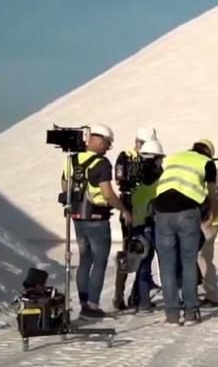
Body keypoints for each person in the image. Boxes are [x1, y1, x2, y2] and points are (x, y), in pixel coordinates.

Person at [60, 123, 130, 318]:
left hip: (77, 218)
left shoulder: (71, 160)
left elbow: (65, 185)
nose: (108, 147)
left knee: (84, 260)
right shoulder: (102, 163)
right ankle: (92, 306)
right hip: (97, 218)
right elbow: (107, 193)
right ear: (97, 139)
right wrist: (123, 209)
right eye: (107, 143)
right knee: (99, 261)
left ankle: (84, 303)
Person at [151, 139, 218, 326]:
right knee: (188, 262)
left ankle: (172, 315)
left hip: (162, 212)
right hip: (187, 213)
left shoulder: (175, 158)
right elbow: (213, 193)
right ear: (208, 152)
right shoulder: (207, 163)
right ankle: (191, 313)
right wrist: (212, 213)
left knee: (167, 265)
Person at [112, 126, 158, 311]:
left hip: (148, 211)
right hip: (130, 207)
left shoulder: (153, 158)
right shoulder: (126, 156)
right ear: (137, 142)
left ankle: (137, 294)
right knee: (129, 251)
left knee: (147, 252)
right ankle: (118, 294)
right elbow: (119, 179)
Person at [127, 139, 164, 313]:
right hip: (155, 224)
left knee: (143, 264)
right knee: (166, 262)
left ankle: (143, 303)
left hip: (137, 225)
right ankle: (173, 300)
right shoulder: (160, 177)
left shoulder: (133, 177)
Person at [198, 141, 218, 307]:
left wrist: (211, 217)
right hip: (208, 218)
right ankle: (209, 292)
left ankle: (212, 294)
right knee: (204, 256)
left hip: (213, 219)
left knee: (202, 256)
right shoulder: (203, 171)